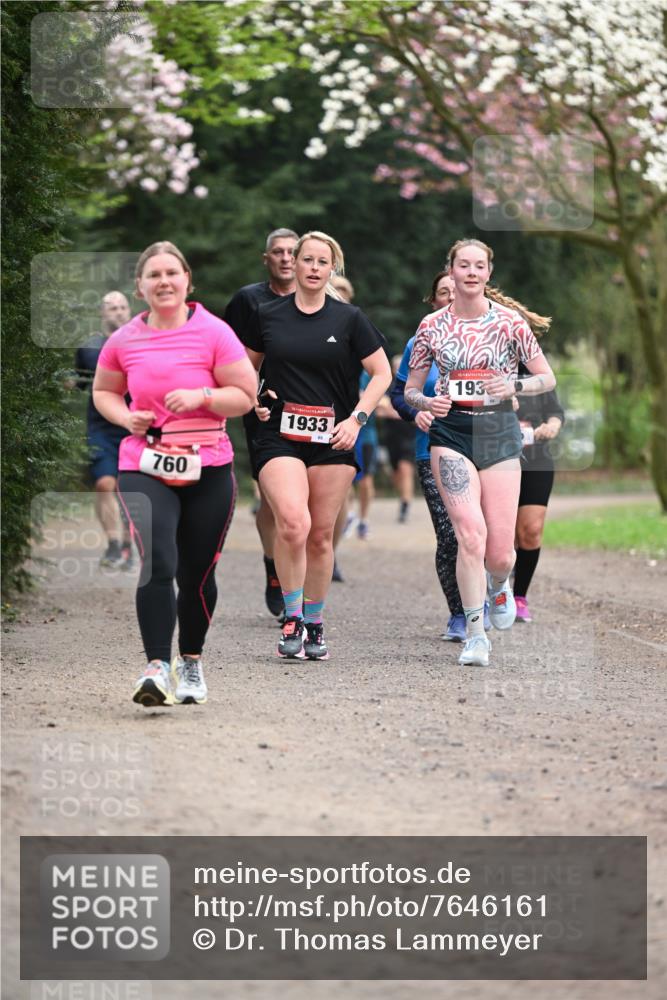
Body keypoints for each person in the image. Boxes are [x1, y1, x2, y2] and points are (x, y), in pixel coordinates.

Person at [93, 241, 257, 706]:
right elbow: (105, 392)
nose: (163, 282)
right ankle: (156, 667)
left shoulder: (214, 332)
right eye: (153, 275)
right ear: (140, 286)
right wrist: (126, 418)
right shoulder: (125, 338)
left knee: (197, 572)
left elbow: (244, 395)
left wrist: (203, 395)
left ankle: (190, 661)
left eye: (171, 273)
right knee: (159, 560)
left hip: (208, 464)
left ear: (187, 280)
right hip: (145, 462)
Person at [405, 239, 556, 667]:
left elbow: (547, 378)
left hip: (498, 433)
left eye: (478, 266)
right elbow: (412, 388)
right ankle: (475, 633)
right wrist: (425, 403)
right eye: (463, 265)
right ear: (450, 271)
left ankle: (501, 584)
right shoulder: (431, 326)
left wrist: (515, 386)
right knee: (469, 534)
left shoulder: (510, 324)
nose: (470, 272)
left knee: (500, 552)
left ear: (489, 273)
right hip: (451, 433)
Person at [244, 231, 392, 660]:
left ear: (332, 268)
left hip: (333, 436)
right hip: (278, 436)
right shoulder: (267, 314)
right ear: (294, 264)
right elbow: (244, 369)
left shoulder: (349, 319)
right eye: (305, 259)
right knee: (293, 523)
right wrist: (254, 399)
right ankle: (291, 618)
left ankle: (314, 622)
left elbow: (381, 374)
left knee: (321, 535)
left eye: (320, 261)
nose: (311, 267)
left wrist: (357, 419)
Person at [224, 229, 299, 618]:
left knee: (308, 505)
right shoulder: (247, 300)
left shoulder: (321, 297)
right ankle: (275, 570)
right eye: (278, 252)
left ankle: (300, 586)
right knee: (275, 500)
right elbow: (228, 354)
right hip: (264, 408)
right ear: (265, 258)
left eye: (293, 252)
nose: (286, 258)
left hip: (313, 408)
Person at [73, 291, 134, 569]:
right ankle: (112, 544)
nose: (118, 312)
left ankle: (128, 544)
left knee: (131, 488)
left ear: (129, 311)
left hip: (136, 425)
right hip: (100, 427)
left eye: (122, 307)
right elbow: (79, 381)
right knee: (104, 484)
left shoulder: (144, 344)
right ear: (102, 313)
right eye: (112, 308)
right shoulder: (88, 348)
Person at [514, 365, 565, 621]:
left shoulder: (538, 371)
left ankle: (518, 597)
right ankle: (492, 591)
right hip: (494, 459)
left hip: (536, 459)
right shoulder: (484, 362)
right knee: (502, 533)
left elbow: (555, 414)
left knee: (530, 531)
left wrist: (552, 427)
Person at [383, 354, 417, 524]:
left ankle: (405, 505)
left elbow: (389, 409)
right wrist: (405, 412)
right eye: (395, 366)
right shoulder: (388, 386)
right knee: (396, 473)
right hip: (391, 436)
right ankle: (402, 497)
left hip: (409, 435)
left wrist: (395, 411)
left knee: (405, 468)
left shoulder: (413, 386)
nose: (398, 368)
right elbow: (380, 410)